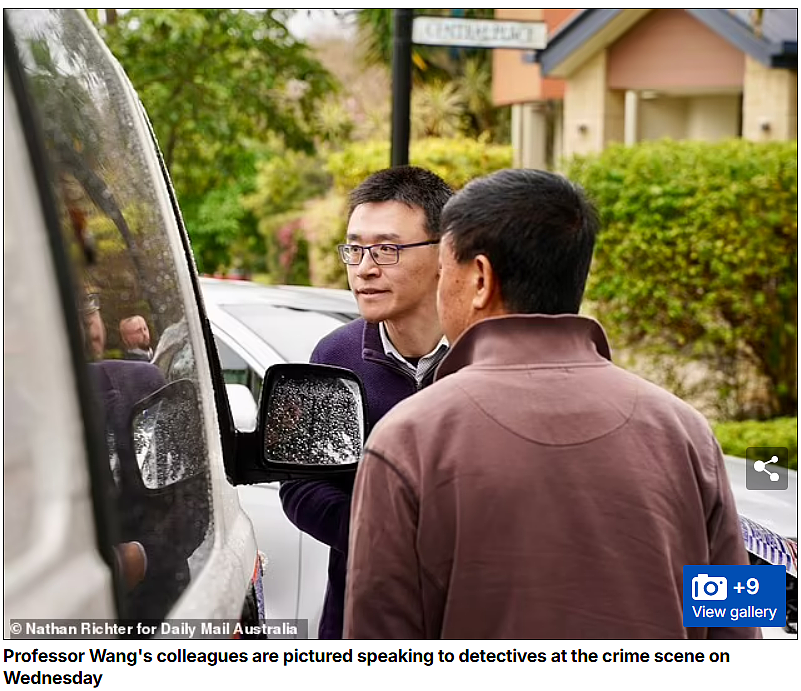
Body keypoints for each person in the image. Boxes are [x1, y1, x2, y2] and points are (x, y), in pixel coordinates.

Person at [343, 169, 760, 640]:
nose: (442, 290)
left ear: (479, 279)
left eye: (446, 269)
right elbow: (737, 627)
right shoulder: (685, 430)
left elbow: (379, 649)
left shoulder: (409, 437)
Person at [279, 165, 454, 639]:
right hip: (362, 623)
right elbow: (301, 488)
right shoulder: (333, 355)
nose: (365, 268)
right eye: (354, 249)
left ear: (445, 253)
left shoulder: (486, 359)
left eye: (387, 249)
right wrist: (393, 541)